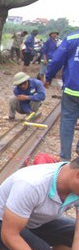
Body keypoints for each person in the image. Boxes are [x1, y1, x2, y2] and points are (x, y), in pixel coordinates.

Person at [45, 31, 79, 161]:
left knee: (67, 122)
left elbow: (56, 60)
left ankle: (65, 158)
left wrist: (48, 77)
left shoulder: (72, 38)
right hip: (72, 90)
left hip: (72, 90)